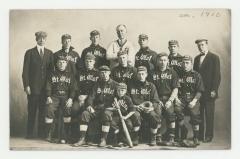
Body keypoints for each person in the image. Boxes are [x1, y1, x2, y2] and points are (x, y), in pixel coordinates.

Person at [72, 65, 118, 147]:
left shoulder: (115, 85)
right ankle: (82, 139)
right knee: (85, 114)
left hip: (108, 109)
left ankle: (103, 140)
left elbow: (119, 99)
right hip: (97, 108)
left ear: (109, 73)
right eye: (102, 72)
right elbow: (91, 97)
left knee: (106, 114)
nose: (104, 74)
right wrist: (89, 105)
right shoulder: (96, 84)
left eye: (106, 72)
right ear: (99, 74)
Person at [22, 31, 54, 139]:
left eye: (44, 38)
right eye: (40, 38)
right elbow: (25, 71)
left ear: (46, 39)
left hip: (45, 89)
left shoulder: (50, 53)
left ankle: (41, 134)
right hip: (33, 88)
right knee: (32, 111)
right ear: (36, 39)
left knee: (42, 112)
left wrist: (49, 88)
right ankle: (29, 134)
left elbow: (51, 72)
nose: (42, 40)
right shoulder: (30, 52)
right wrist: (26, 85)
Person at [193, 39, 221, 142]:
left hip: (210, 92)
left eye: (202, 45)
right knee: (199, 114)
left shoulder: (214, 58)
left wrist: (214, 89)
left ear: (206, 45)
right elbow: (194, 76)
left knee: (209, 114)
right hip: (199, 92)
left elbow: (217, 76)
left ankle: (209, 135)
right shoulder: (196, 59)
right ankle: (200, 136)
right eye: (199, 45)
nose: (201, 47)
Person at [149, 52, 179, 145]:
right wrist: (157, 100)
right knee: (157, 114)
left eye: (165, 60)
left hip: (168, 98)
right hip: (156, 98)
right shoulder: (152, 73)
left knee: (170, 114)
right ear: (157, 61)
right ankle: (157, 136)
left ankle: (171, 137)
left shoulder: (173, 72)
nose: (163, 62)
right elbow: (149, 88)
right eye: (161, 60)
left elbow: (175, 88)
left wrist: (170, 101)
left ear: (168, 61)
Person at [45, 56, 76, 144]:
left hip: (66, 96)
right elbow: (48, 86)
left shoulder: (70, 75)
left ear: (66, 64)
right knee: (49, 108)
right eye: (60, 62)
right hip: (55, 96)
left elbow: (73, 89)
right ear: (56, 63)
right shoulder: (52, 74)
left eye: (63, 62)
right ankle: (49, 134)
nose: (61, 64)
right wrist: (48, 96)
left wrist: (71, 98)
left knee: (67, 109)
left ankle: (65, 134)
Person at [175, 55, 204, 146]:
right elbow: (175, 88)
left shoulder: (196, 75)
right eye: (183, 63)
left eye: (187, 63)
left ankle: (196, 137)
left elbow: (200, 91)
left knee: (195, 114)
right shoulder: (178, 74)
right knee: (176, 110)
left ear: (191, 64)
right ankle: (184, 130)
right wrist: (176, 99)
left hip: (193, 98)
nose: (185, 65)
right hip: (181, 98)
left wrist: (194, 101)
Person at [128, 66, 161, 146]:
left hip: (147, 109)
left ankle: (153, 137)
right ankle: (135, 137)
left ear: (146, 74)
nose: (141, 76)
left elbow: (156, 100)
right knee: (135, 115)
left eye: (143, 74)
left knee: (153, 116)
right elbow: (127, 100)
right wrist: (135, 107)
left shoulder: (151, 86)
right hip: (136, 108)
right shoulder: (131, 85)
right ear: (136, 75)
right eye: (139, 74)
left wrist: (151, 108)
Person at [71, 53, 99, 141]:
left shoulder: (97, 74)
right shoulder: (79, 73)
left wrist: (86, 97)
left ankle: (90, 137)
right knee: (74, 109)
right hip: (80, 98)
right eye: (87, 61)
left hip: (92, 100)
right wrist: (79, 96)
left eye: (90, 61)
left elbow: (97, 89)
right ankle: (74, 135)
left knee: (88, 112)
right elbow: (75, 86)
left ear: (94, 62)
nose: (88, 63)